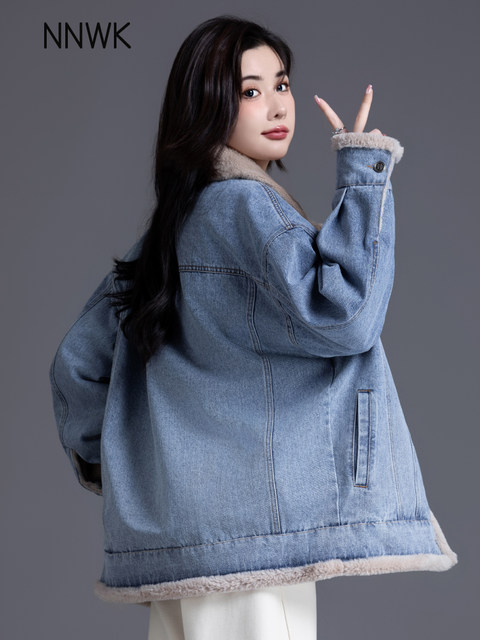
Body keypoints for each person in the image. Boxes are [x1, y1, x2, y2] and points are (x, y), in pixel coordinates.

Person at [49, 15, 457, 640]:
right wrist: (364, 173)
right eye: (249, 90)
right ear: (206, 106)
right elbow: (347, 317)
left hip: (185, 546)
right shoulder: (245, 205)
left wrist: (134, 470)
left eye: (282, 84)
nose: (277, 105)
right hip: (254, 550)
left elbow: (76, 365)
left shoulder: (172, 227)